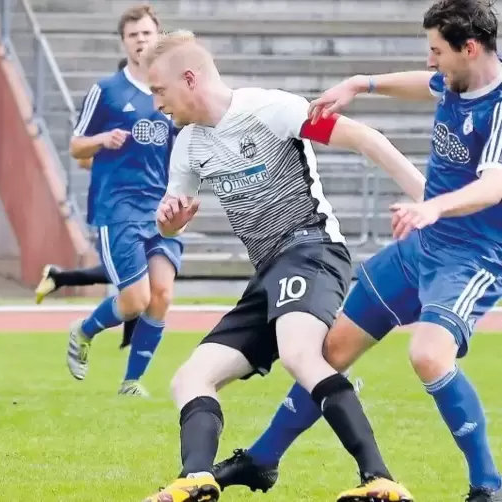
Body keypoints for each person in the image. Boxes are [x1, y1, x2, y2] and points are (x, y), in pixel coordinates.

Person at [212, 1, 502, 501]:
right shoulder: (455, 80)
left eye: (437, 51)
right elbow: (422, 83)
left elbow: (495, 186)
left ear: (469, 48)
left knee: (429, 356)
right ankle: (261, 461)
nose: (431, 62)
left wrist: (433, 208)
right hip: (419, 249)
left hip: (470, 257)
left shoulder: (498, 107)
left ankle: (488, 486)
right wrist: (361, 83)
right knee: (328, 352)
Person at [140, 29, 425, 502]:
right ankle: (196, 480)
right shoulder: (188, 145)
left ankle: (380, 478)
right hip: (267, 273)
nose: (156, 104)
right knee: (189, 378)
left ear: (189, 78)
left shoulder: (270, 109)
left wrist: (430, 202)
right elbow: (173, 216)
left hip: (312, 250)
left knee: (299, 353)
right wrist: (172, 222)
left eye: (159, 91)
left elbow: (365, 139)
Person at [65, 3, 182, 398]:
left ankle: (131, 383)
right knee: (135, 300)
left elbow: (180, 151)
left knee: (162, 294)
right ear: (125, 43)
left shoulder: (171, 93)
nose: (140, 41)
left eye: (147, 34)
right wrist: (102, 140)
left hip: (161, 207)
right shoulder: (107, 91)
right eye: (133, 36)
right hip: (118, 208)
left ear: (158, 39)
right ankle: (83, 331)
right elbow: (76, 147)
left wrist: (184, 198)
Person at [35, 57, 138, 349]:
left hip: (148, 204)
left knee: (139, 272)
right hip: (116, 203)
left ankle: (128, 343)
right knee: (130, 271)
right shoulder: (109, 108)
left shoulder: (155, 107)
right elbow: (81, 157)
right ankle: (61, 281)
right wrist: (113, 160)